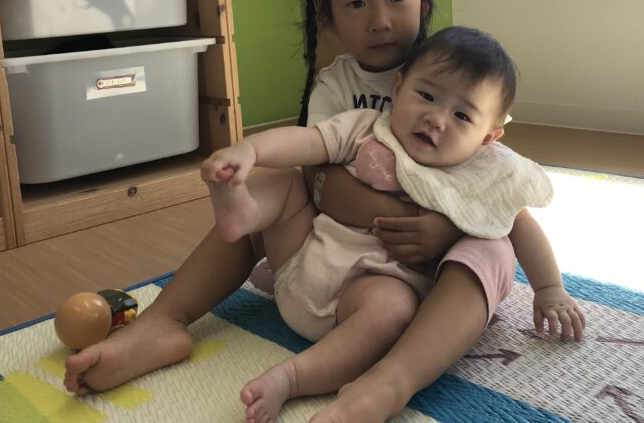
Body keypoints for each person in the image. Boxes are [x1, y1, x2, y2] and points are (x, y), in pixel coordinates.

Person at [63, 0, 574, 422]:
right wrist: (250, 153)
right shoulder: (344, 95)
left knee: (492, 246)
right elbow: (318, 181)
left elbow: (509, 212)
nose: (380, 20)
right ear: (324, 11)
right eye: (357, 3)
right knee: (278, 185)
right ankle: (164, 321)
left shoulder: (461, 86)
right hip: (312, 261)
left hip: (386, 297)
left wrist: (506, 261)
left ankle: (390, 380)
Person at [202, 26, 584, 423]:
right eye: (427, 96)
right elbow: (307, 142)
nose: (436, 119)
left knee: (474, 255)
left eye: (461, 115)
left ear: (488, 137)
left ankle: (296, 378)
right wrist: (249, 150)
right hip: (299, 269)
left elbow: (520, 222)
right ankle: (244, 215)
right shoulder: (365, 128)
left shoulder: (483, 173)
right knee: (281, 183)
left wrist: (549, 288)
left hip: (368, 308)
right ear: (398, 88)